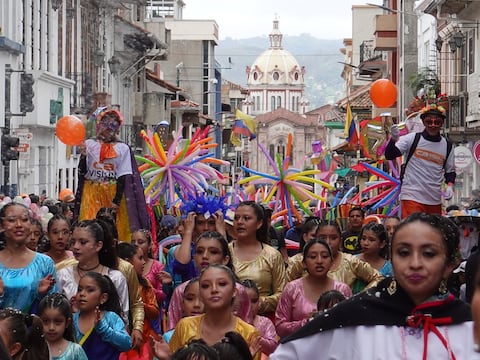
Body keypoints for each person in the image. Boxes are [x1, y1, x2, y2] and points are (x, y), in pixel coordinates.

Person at [271, 213, 476, 359]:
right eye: (403, 252)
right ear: (392, 258)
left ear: (450, 264)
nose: (415, 263)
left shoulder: (469, 325)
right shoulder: (353, 317)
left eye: (429, 253)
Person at [75, 106, 149, 242]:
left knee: (115, 229)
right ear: (99, 125)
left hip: (113, 192)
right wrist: (84, 156)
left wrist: (116, 200)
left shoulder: (122, 148)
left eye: (113, 124)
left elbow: (124, 176)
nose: (108, 128)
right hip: (92, 192)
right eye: (105, 124)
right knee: (89, 227)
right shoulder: (89, 144)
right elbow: (82, 172)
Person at [169, 265, 259, 359]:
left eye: (222, 284)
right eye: (206, 286)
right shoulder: (185, 326)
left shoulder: (249, 333)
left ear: (234, 291)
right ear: (200, 292)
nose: (214, 290)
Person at [168, 231, 251, 330]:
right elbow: (172, 332)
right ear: (194, 257)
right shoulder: (181, 290)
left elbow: (247, 330)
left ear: (225, 259)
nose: (205, 256)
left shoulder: (237, 290)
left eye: (213, 252)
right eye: (199, 251)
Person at [386, 104, 455, 218]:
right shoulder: (412, 138)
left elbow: (450, 171)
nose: (433, 125)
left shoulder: (447, 146)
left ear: (442, 123)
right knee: (414, 231)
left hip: (434, 200)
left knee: (431, 233)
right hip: (411, 196)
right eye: (429, 122)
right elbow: (390, 155)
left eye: (437, 122)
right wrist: (392, 139)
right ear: (423, 122)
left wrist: (450, 186)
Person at [56, 219, 129, 323]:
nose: (76, 247)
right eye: (73, 242)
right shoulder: (63, 275)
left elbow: (123, 319)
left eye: (83, 242)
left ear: (98, 246)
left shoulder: (115, 278)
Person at [275, 239, 351, 338]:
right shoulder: (292, 288)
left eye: (324, 256)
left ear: (332, 262)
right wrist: (307, 322)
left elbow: (351, 325)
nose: (319, 261)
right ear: (304, 263)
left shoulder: (342, 290)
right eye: (313, 257)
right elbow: (280, 327)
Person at [287, 220, 383, 291]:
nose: (328, 242)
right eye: (323, 237)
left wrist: (358, 299)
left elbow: (379, 278)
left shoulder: (351, 261)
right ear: (315, 238)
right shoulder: (299, 261)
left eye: (333, 238)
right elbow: (284, 288)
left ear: (340, 240)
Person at [229, 201, 286, 315]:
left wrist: (258, 302)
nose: (240, 222)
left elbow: (282, 294)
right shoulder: (225, 252)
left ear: (259, 223)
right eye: (236, 218)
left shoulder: (272, 255)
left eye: (246, 218)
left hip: (262, 322)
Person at [0, 202, 57, 312]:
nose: (19, 225)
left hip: (35, 328)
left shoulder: (45, 263)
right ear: (2, 226)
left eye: (24, 220)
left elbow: (55, 307)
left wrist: (41, 295)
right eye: (12, 220)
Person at [73, 272, 132, 358]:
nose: (82, 294)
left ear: (103, 298)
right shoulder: (72, 319)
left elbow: (127, 344)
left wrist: (104, 329)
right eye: (79, 289)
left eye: (90, 290)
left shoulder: (111, 318)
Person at [117, 242, 161, 356]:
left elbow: (155, 312)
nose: (144, 262)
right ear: (127, 262)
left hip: (143, 337)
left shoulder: (144, 283)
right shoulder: (116, 282)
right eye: (140, 258)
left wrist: (138, 303)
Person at [38, 293, 88, 359]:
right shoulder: (33, 349)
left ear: (67, 323)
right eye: (46, 321)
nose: (51, 328)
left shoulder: (75, 351)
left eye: (57, 322)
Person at [354, 222, 393, 293]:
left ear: (382, 244)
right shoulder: (352, 261)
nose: (366, 243)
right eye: (363, 238)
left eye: (371, 240)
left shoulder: (389, 269)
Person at [242, 279, 278, 356]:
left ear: (259, 302)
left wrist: (256, 338)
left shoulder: (265, 322)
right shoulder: (235, 322)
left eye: (254, 301)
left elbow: (274, 347)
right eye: (246, 301)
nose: (250, 306)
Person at [163, 278, 204, 343]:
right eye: (190, 299)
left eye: (203, 299)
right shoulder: (170, 337)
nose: (196, 305)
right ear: (182, 303)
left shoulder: (219, 334)